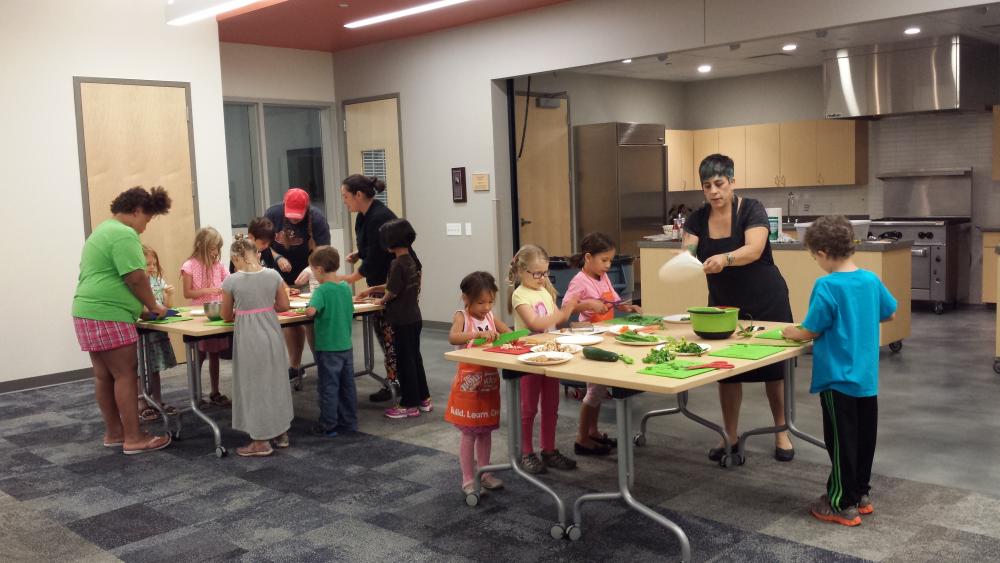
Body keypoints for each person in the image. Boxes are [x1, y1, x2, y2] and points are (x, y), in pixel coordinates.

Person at [782, 216, 897, 527]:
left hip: (837, 379)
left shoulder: (827, 285)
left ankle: (839, 502)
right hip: (866, 380)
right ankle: (861, 494)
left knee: (841, 442)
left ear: (821, 253)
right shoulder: (871, 280)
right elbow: (890, 311)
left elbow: (812, 329)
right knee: (862, 439)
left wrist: (793, 332)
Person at [682, 153, 796, 463]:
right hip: (722, 303)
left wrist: (725, 259)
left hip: (766, 299)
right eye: (707, 186)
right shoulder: (696, 218)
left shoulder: (751, 209)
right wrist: (687, 260)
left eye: (719, 183)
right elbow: (688, 250)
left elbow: (755, 248)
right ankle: (730, 436)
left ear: (732, 181)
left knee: (773, 369)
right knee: (726, 370)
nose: (714, 191)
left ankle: (781, 432)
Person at [72, 186, 172, 455]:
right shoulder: (123, 234)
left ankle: (115, 433)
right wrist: (153, 305)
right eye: (147, 220)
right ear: (137, 211)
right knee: (126, 374)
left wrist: (139, 310)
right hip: (109, 314)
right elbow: (135, 278)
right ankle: (134, 438)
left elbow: (110, 278)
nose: (144, 228)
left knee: (104, 376)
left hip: (86, 310)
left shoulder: (103, 230)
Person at [563, 232, 641, 456]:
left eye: (610, 260)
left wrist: (626, 307)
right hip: (590, 339)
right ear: (588, 257)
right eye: (604, 260)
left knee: (598, 390)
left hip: (605, 337)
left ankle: (593, 432)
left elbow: (612, 299)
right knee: (594, 390)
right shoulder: (579, 281)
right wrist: (586, 304)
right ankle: (581, 439)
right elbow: (567, 307)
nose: (608, 265)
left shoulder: (601, 276)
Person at [221, 234, 294, 457]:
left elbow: (225, 315)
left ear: (235, 258)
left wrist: (242, 310)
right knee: (276, 381)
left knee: (254, 386)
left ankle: (260, 441)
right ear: (258, 254)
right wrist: (264, 306)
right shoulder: (273, 275)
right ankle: (281, 432)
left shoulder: (231, 281)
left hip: (249, 337)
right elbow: (283, 305)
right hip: (271, 333)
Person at [508, 244, 578, 474]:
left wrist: (565, 326)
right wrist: (563, 313)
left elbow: (551, 325)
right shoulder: (519, 294)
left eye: (544, 273)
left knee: (551, 405)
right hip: (529, 358)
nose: (541, 277)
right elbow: (535, 324)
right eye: (536, 273)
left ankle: (549, 450)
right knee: (528, 408)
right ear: (521, 271)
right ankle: (527, 452)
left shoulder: (545, 292)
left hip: (550, 355)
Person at [446, 271, 511, 495]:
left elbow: (509, 332)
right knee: (469, 433)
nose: (486, 307)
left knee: (485, 431)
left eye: (490, 301)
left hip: (489, 383)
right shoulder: (462, 317)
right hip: (468, 386)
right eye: (481, 302)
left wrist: (510, 336)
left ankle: (485, 472)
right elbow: (453, 337)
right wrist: (475, 334)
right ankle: (467, 479)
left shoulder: (491, 317)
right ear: (466, 299)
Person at [361, 219, 431, 419]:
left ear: (390, 242)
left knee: (404, 362)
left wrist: (379, 301)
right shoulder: (412, 261)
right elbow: (396, 284)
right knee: (415, 358)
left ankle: (409, 404)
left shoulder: (396, 263)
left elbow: (392, 291)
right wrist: (373, 289)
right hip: (414, 317)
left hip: (400, 320)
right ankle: (424, 398)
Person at [338, 174, 398, 402]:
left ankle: (396, 383)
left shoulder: (379, 217)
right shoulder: (363, 217)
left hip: (390, 282)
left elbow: (378, 255)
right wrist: (358, 254)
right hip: (377, 282)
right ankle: (393, 380)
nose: (344, 201)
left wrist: (352, 277)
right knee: (382, 333)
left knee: (391, 337)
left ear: (359, 195)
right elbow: (368, 247)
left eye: (346, 196)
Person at [265, 188, 331, 381]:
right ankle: (295, 365)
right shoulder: (273, 214)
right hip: (279, 276)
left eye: (298, 216)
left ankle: (322, 363)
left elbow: (324, 250)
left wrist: (312, 268)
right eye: (290, 216)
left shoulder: (317, 219)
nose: (294, 220)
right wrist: (277, 257)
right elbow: (262, 243)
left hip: (307, 273)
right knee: (290, 321)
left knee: (311, 320)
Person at [306, 245, 358, 437]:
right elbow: (350, 311)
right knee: (347, 386)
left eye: (313, 271)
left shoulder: (322, 291)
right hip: (345, 345)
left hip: (327, 347)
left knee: (328, 387)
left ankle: (328, 425)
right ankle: (350, 423)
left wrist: (308, 308)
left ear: (319, 270)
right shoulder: (345, 288)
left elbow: (311, 312)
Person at [181, 227, 231, 407]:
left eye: (217, 248)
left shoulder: (219, 265)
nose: (215, 252)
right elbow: (187, 293)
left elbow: (229, 280)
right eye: (212, 248)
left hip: (216, 315)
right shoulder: (189, 266)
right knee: (200, 355)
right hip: (199, 317)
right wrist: (206, 290)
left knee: (215, 354)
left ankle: (215, 391)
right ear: (201, 245)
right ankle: (195, 393)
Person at [137, 244, 178, 422]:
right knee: (140, 368)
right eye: (147, 265)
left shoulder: (158, 280)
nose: (152, 268)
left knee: (155, 368)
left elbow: (167, 306)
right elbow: (140, 307)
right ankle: (141, 403)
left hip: (156, 329)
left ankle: (157, 400)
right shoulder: (138, 283)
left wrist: (168, 295)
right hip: (142, 330)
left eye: (154, 264)